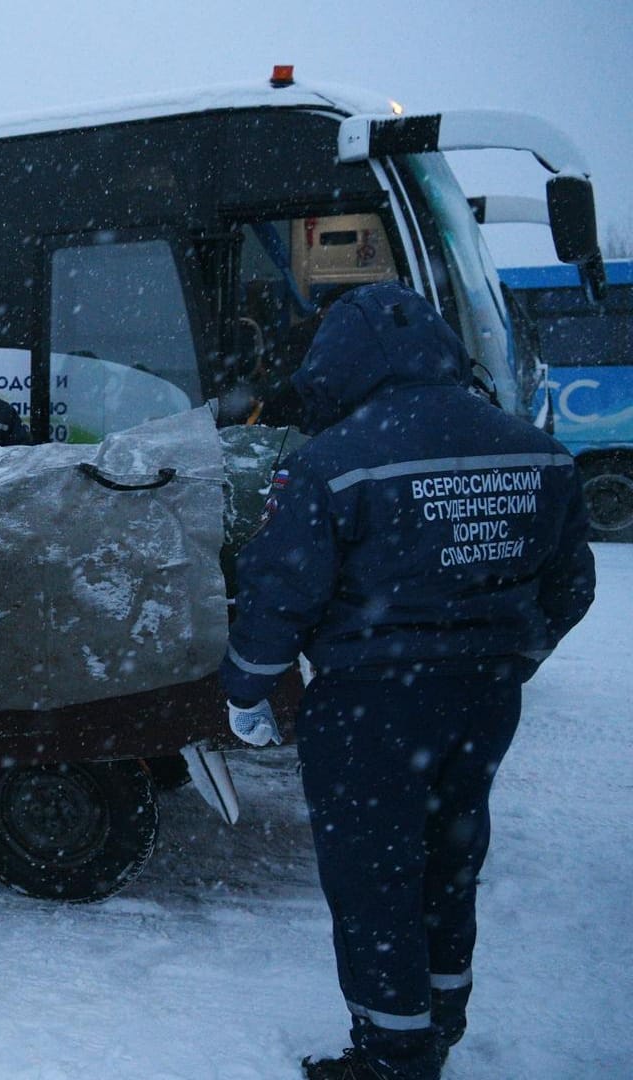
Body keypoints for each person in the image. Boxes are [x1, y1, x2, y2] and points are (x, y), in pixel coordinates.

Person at [220, 281, 594, 1080]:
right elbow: (572, 588)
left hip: (370, 701)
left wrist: (248, 688)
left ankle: (393, 1053)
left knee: (372, 874)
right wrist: (512, 655)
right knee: (449, 854)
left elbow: (280, 590)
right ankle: (442, 1016)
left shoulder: (330, 463)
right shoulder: (535, 448)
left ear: (342, 364)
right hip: (486, 697)